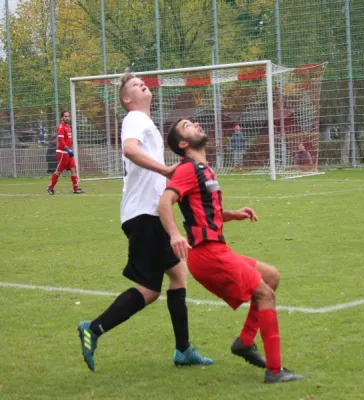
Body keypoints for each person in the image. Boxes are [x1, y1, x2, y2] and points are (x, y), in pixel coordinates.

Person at [76, 73, 212, 372]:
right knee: (149, 289)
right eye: (135, 85)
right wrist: (166, 170)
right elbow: (129, 149)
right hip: (143, 215)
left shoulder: (145, 122)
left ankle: (183, 350)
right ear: (127, 99)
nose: (142, 85)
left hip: (149, 213)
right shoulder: (134, 118)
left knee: (178, 275)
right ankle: (93, 328)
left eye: (142, 82)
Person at [157, 118, 305, 384]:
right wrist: (175, 235)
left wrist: (233, 214)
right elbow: (164, 203)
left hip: (217, 249)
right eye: (188, 125)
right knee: (266, 294)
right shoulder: (187, 169)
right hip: (208, 255)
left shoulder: (203, 169)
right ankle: (274, 371)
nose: (197, 124)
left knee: (271, 277)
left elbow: (205, 211)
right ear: (183, 143)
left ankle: (245, 343)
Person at [47, 111, 84, 194]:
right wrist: (67, 149)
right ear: (62, 117)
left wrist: (69, 149)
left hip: (68, 153)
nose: (67, 118)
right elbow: (60, 140)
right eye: (65, 116)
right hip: (62, 153)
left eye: (68, 116)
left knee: (73, 169)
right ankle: (50, 188)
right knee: (59, 171)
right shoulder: (61, 127)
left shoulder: (68, 126)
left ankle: (75, 189)